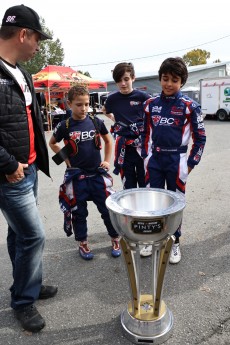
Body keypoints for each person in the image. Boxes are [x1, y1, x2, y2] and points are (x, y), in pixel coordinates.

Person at [0, 5, 58, 333]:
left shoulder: (21, 71)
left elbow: (30, 119)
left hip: (29, 169)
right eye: (37, 38)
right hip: (11, 174)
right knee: (33, 235)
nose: (39, 44)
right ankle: (23, 300)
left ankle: (28, 285)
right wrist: (9, 165)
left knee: (19, 233)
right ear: (23, 34)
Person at [140, 57, 206, 262]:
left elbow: (201, 138)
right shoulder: (150, 104)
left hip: (177, 160)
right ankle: (152, 240)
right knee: (154, 201)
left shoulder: (190, 106)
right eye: (165, 78)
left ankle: (174, 242)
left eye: (174, 80)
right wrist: (145, 157)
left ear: (182, 82)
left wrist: (190, 163)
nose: (169, 84)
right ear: (160, 79)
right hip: (155, 160)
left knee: (176, 202)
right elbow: (145, 133)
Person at [49, 86, 121, 260]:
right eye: (79, 104)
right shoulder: (64, 125)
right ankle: (82, 243)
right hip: (77, 177)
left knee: (107, 209)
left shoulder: (95, 121)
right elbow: (52, 143)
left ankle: (115, 238)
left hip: (97, 175)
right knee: (78, 212)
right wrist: (66, 159)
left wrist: (106, 160)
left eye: (87, 104)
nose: (83, 108)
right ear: (69, 104)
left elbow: (108, 141)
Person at [103, 62, 151, 189]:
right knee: (128, 184)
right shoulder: (112, 99)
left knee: (144, 182)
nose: (123, 83)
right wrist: (115, 120)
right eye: (119, 80)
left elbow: (152, 114)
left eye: (126, 79)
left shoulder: (143, 97)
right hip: (124, 148)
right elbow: (105, 111)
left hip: (142, 147)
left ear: (133, 78)